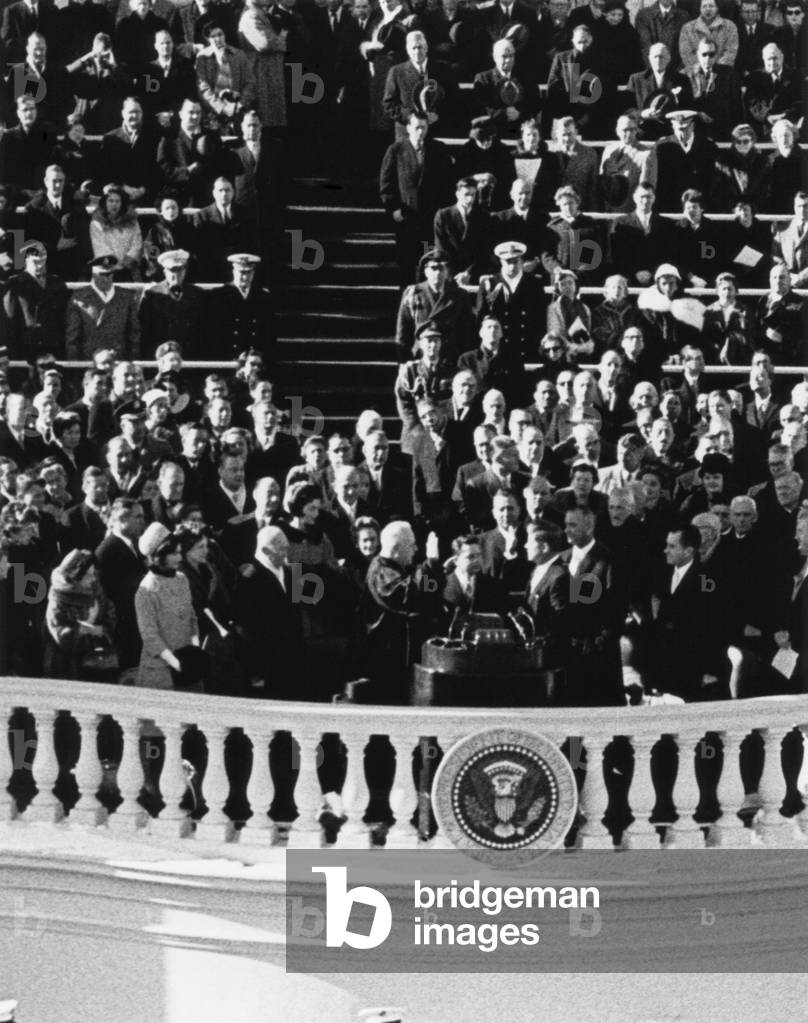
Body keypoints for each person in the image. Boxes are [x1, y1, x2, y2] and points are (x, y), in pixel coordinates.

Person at [360, 521, 443, 702]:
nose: (415, 548)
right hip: (384, 659)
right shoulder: (380, 571)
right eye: (411, 544)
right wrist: (430, 564)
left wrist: (437, 569)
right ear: (397, 548)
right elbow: (406, 597)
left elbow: (428, 592)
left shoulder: (398, 569)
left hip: (400, 657)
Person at [379, 111, 455, 286]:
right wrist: (394, 210)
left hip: (431, 220)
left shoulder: (438, 149)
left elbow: (448, 184)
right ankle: (406, 304)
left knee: (429, 264)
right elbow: (386, 185)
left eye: (424, 127)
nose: (420, 132)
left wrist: (442, 214)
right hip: (407, 219)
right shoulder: (396, 150)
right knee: (406, 265)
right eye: (417, 128)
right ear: (408, 128)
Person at [232, 524, 304, 696]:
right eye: (281, 549)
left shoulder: (292, 572)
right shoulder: (248, 578)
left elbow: (297, 615)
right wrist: (255, 669)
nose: (286, 553)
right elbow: (244, 627)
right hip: (265, 661)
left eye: (287, 548)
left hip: (291, 659)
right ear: (265, 550)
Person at [134, 521, 201, 690]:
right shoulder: (146, 591)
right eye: (174, 554)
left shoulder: (181, 579)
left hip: (188, 666)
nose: (180, 558)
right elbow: (150, 635)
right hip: (161, 672)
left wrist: (195, 649)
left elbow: (191, 617)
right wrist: (174, 662)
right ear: (159, 556)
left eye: (180, 552)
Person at [43, 548, 112, 680]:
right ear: (76, 576)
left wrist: (105, 629)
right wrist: (82, 630)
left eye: (94, 573)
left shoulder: (95, 588)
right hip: (66, 664)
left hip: (97, 656)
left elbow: (109, 609)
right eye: (88, 575)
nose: (93, 579)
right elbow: (59, 632)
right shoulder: (59, 599)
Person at [66, 255, 141, 361]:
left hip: (118, 361)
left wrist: (133, 362)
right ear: (93, 274)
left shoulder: (126, 297)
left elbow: (134, 335)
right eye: (101, 275)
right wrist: (75, 367)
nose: (106, 279)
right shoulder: (79, 299)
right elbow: (73, 338)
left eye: (109, 274)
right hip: (91, 362)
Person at [89, 184, 143, 280]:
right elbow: (99, 247)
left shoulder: (133, 221)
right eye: (111, 201)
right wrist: (114, 265)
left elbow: (137, 245)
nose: (114, 204)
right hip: (106, 269)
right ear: (104, 202)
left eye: (118, 201)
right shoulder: (96, 223)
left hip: (130, 269)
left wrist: (124, 264)